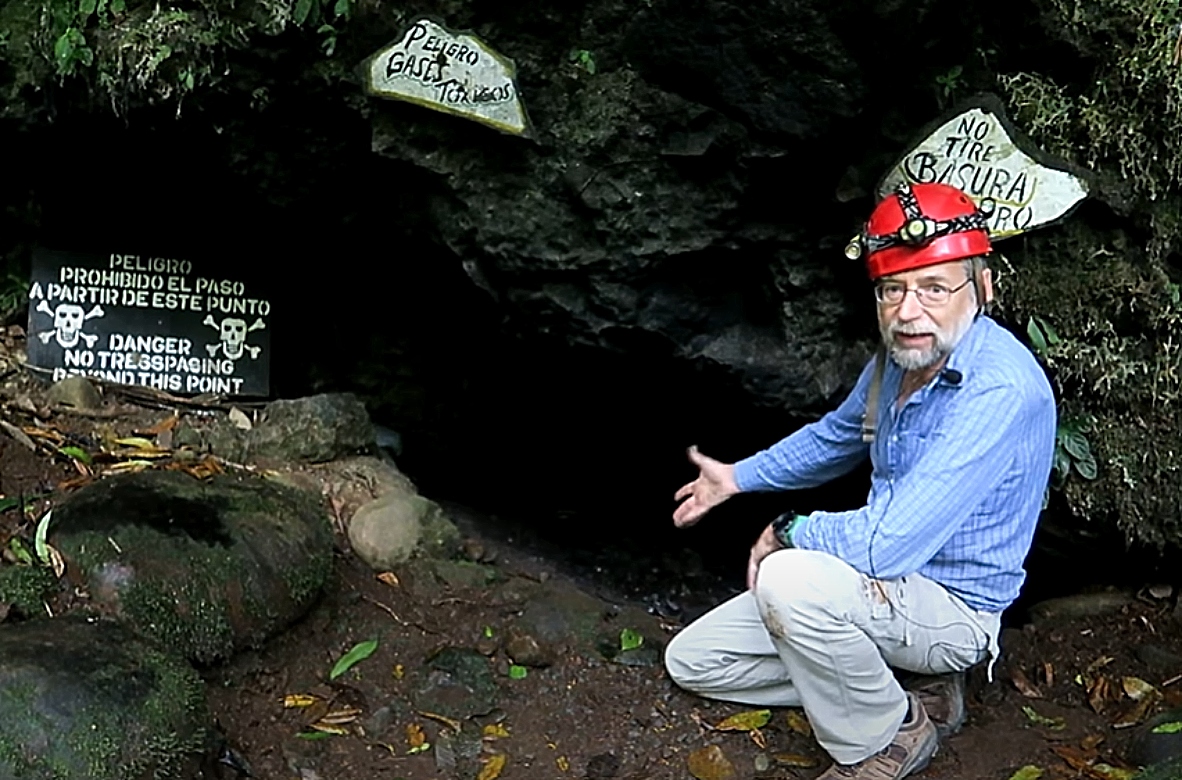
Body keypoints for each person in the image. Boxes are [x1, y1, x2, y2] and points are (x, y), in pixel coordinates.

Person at [664, 182, 1056, 780]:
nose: (908, 310)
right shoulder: (897, 363)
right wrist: (737, 479)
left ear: (982, 286)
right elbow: (834, 439)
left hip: (955, 610)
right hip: (876, 592)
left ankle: (886, 738)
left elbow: (887, 544)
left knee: (789, 576)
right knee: (695, 660)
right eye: (892, 289)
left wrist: (786, 529)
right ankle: (905, 688)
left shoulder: (997, 390)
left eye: (933, 287)